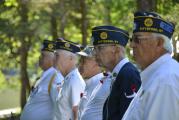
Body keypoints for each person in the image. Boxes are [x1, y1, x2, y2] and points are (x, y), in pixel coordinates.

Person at [122, 11, 179, 120]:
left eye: (137, 39)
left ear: (159, 43)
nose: (131, 45)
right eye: (131, 39)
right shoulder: (156, 75)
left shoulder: (165, 80)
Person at [90, 25, 141, 120]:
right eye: (94, 49)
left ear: (115, 49)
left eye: (100, 48)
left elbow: (129, 116)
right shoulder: (118, 74)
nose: (94, 54)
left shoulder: (128, 74)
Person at [20, 40, 64, 120]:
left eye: (43, 55)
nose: (39, 57)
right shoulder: (43, 77)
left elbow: (60, 109)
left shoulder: (56, 78)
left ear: (53, 59)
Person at [53, 38, 86, 120]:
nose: (53, 59)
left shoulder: (74, 81)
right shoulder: (68, 79)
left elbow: (77, 114)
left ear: (71, 58)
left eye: (57, 56)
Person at [77, 46, 104, 119]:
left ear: (97, 62)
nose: (80, 65)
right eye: (80, 61)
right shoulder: (90, 83)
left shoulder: (101, 85)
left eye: (84, 61)